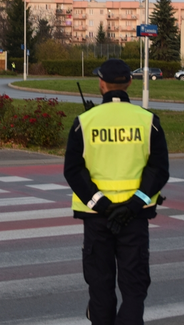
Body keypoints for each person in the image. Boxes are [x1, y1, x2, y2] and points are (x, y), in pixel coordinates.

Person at [64, 58, 169, 325]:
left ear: (101, 84)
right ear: (130, 83)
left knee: (100, 289)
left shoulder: (84, 122)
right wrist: (132, 206)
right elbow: (159, 170)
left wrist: (102, 205)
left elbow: (73, 171)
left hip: (97, 220)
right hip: (134, 219)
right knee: (134, 290)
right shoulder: (148, 121)